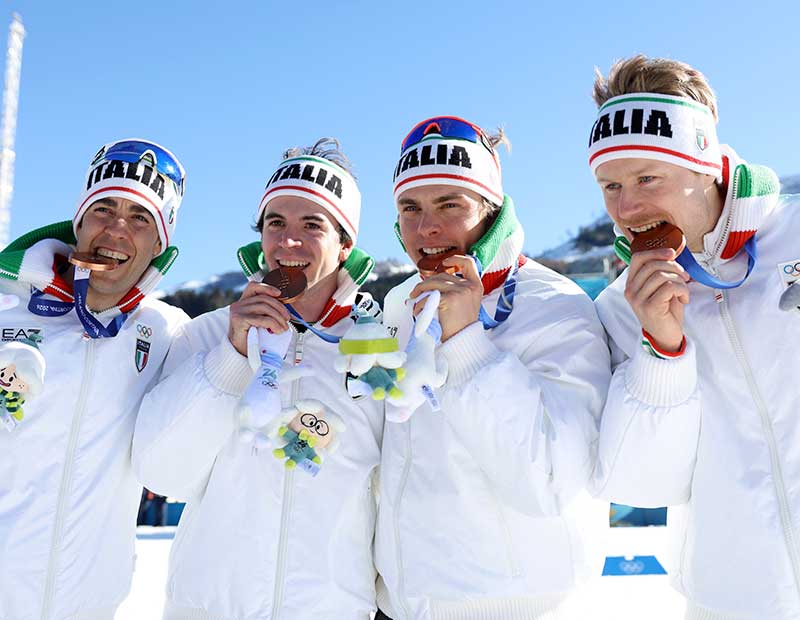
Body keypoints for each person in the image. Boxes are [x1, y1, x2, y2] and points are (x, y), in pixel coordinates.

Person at [133, 138, 384, 620]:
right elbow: (162, 473)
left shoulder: (374, 351)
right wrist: (231, 356)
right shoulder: (206, 334)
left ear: (345, 244)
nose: (288, 242)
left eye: (312, 225)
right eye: (276, 223)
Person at [375, 116, 611, 620]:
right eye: (409, 208)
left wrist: (466, 343)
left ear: (492, 209)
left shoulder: (557, 305)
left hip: (519, 608)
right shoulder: (398, 303)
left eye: (449, 205)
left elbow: (550, 481)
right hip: (403, 605)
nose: (426, 228)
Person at [590, 55, 800, 619]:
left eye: (647, 179)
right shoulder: (618, 308)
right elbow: (642, 483)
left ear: (704, 163)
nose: (626, 208)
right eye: (610, 185)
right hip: (734, 596)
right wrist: (662, 351)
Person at [0, 139, 188, 620]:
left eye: (140, 218)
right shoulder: (4, 302)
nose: (117, 229)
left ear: (159, 245)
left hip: (89, 605)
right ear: (79, 222)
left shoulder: (168, 332)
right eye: (103, 208)